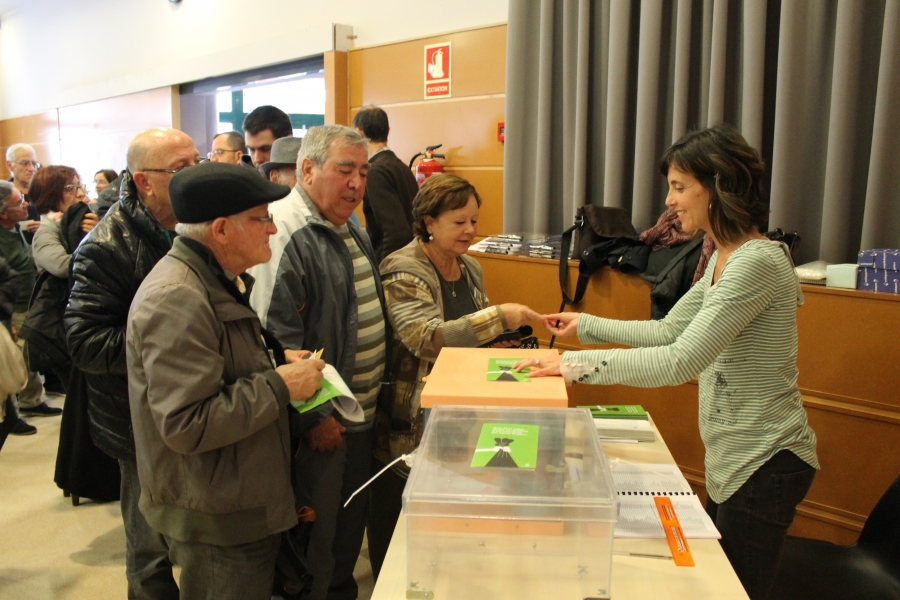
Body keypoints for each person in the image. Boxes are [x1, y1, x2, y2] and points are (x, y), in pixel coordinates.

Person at [520, 124, 818, 600]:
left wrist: (576, 367)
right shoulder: (726, 257)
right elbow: (669, 331)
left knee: (733, 590)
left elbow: (679, 360)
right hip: (738, 456)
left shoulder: (755, 262)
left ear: (717, 185)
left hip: (765, 460)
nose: (670, 201)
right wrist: (586, 325)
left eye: (680, 187)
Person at [126, 161, 325, 600]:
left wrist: (272, 359)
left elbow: (219, 368)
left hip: (236, 500)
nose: (272, 229)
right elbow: (187, 422)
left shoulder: (212, 279)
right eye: (262, 218)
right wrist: (281, 385)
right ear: (220, 229)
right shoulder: (177, 296)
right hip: (217, 517)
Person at [369, 173, 540, 578]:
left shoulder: (471, 268)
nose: (470, 231)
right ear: (428, 222)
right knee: (399, 524)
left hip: (463, 420)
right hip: (410, 423)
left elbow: (467, 337)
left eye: (474, 221)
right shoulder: (403, 268)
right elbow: (426, 338)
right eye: (459, 221)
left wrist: (493, 345)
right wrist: (498, 318)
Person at [248, 124, 386, 600]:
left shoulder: (350, 224)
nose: (356, 183)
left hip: (359, 414)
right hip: (320, 427)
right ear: (307, 169)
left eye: (363, 172)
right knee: (313, 541)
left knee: (347, 528)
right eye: (344, 170)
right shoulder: (284, 232)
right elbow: (271, 343)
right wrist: (314, 417)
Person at [65, 127, 200, 599]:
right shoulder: (106, 246)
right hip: (137, 421)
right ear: (144, 181)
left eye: (197, 162)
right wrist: (165, 348)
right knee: (149, 548)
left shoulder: (196, 222)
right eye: (181, 169)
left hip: (193, 407)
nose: (195, 176)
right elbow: (82, 342)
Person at [0, 180, 59, 430]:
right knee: (12, 363)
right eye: (18, 203)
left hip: (27, 302)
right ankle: (10, 415)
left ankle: (31, 401)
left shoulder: (17, 228)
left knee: (27, 355)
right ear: (2, 213)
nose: (26, 205)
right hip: (11, 308)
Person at [353, 105, 419, 263]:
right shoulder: (402, 167)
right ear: (388, 131)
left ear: (359, 133)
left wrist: (384, 272)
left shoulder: (375, 172)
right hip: (413, 259)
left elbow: (397, 232)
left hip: (394, 266)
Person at [5, 143, 41, 243]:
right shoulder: (3, 194)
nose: (31, 169)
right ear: (9, 165)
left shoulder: (45, 191)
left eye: (34, 164)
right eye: (25, 163)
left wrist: (45, 229)